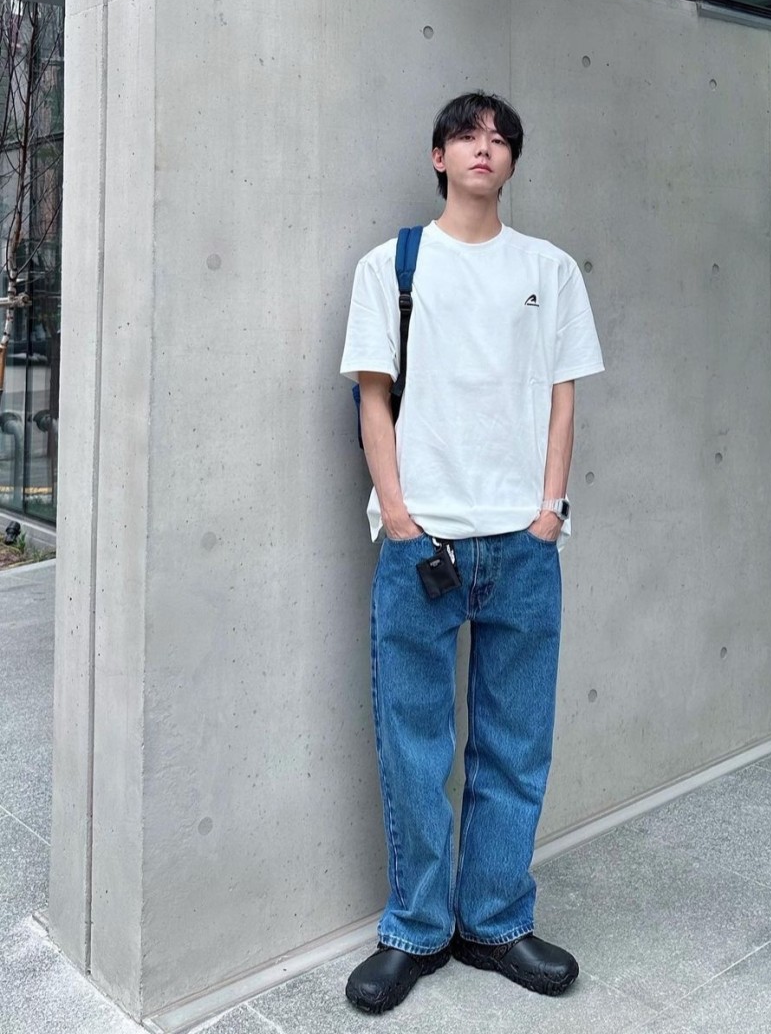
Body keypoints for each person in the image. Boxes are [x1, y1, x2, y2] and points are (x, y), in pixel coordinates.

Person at [339, 91, 604, 1014]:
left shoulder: (550, 268)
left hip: (524, 546)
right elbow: (373, 397)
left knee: (515, 743)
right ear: (439, 156)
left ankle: (494, 920)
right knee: (413, 746)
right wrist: (399, 515)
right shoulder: (392, 264)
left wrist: (548, 512)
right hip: (423, 542)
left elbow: (564, 396)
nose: (484, 148)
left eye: (500, 139)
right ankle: (416, 928)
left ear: (513, 163)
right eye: (466, 135)